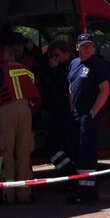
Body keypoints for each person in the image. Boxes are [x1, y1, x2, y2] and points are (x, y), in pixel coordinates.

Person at [0, 44, 40, 204]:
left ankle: (8, 195)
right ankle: (25, 194)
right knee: (24, 152)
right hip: (25, 110)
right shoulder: (26, 70)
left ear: (3, 54)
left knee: (6, 152)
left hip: (7, 110)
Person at [66, 32, 110, 204]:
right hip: (76, 113)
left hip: (89, 115)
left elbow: (105, 91)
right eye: (83, 46)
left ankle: (88, 194)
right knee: (77, 152)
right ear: (77, 47)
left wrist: (92, 113)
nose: (87, 49)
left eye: (89, 45)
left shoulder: (97, 65)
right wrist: (72, 110)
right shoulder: (73, 64)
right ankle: (81, 190)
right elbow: (70, 87)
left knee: (87, 154)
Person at [40, 40, 76, 175]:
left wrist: (55, 69)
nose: (54, 58)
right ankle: (69, 175)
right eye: (52, 55)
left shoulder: (71, 66)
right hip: (56, 112)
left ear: (66, 54)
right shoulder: (55, 65)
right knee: (57, 147)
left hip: (66, 113)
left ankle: (70, 174)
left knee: (54, 147)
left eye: (57, 55)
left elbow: (66, 86)